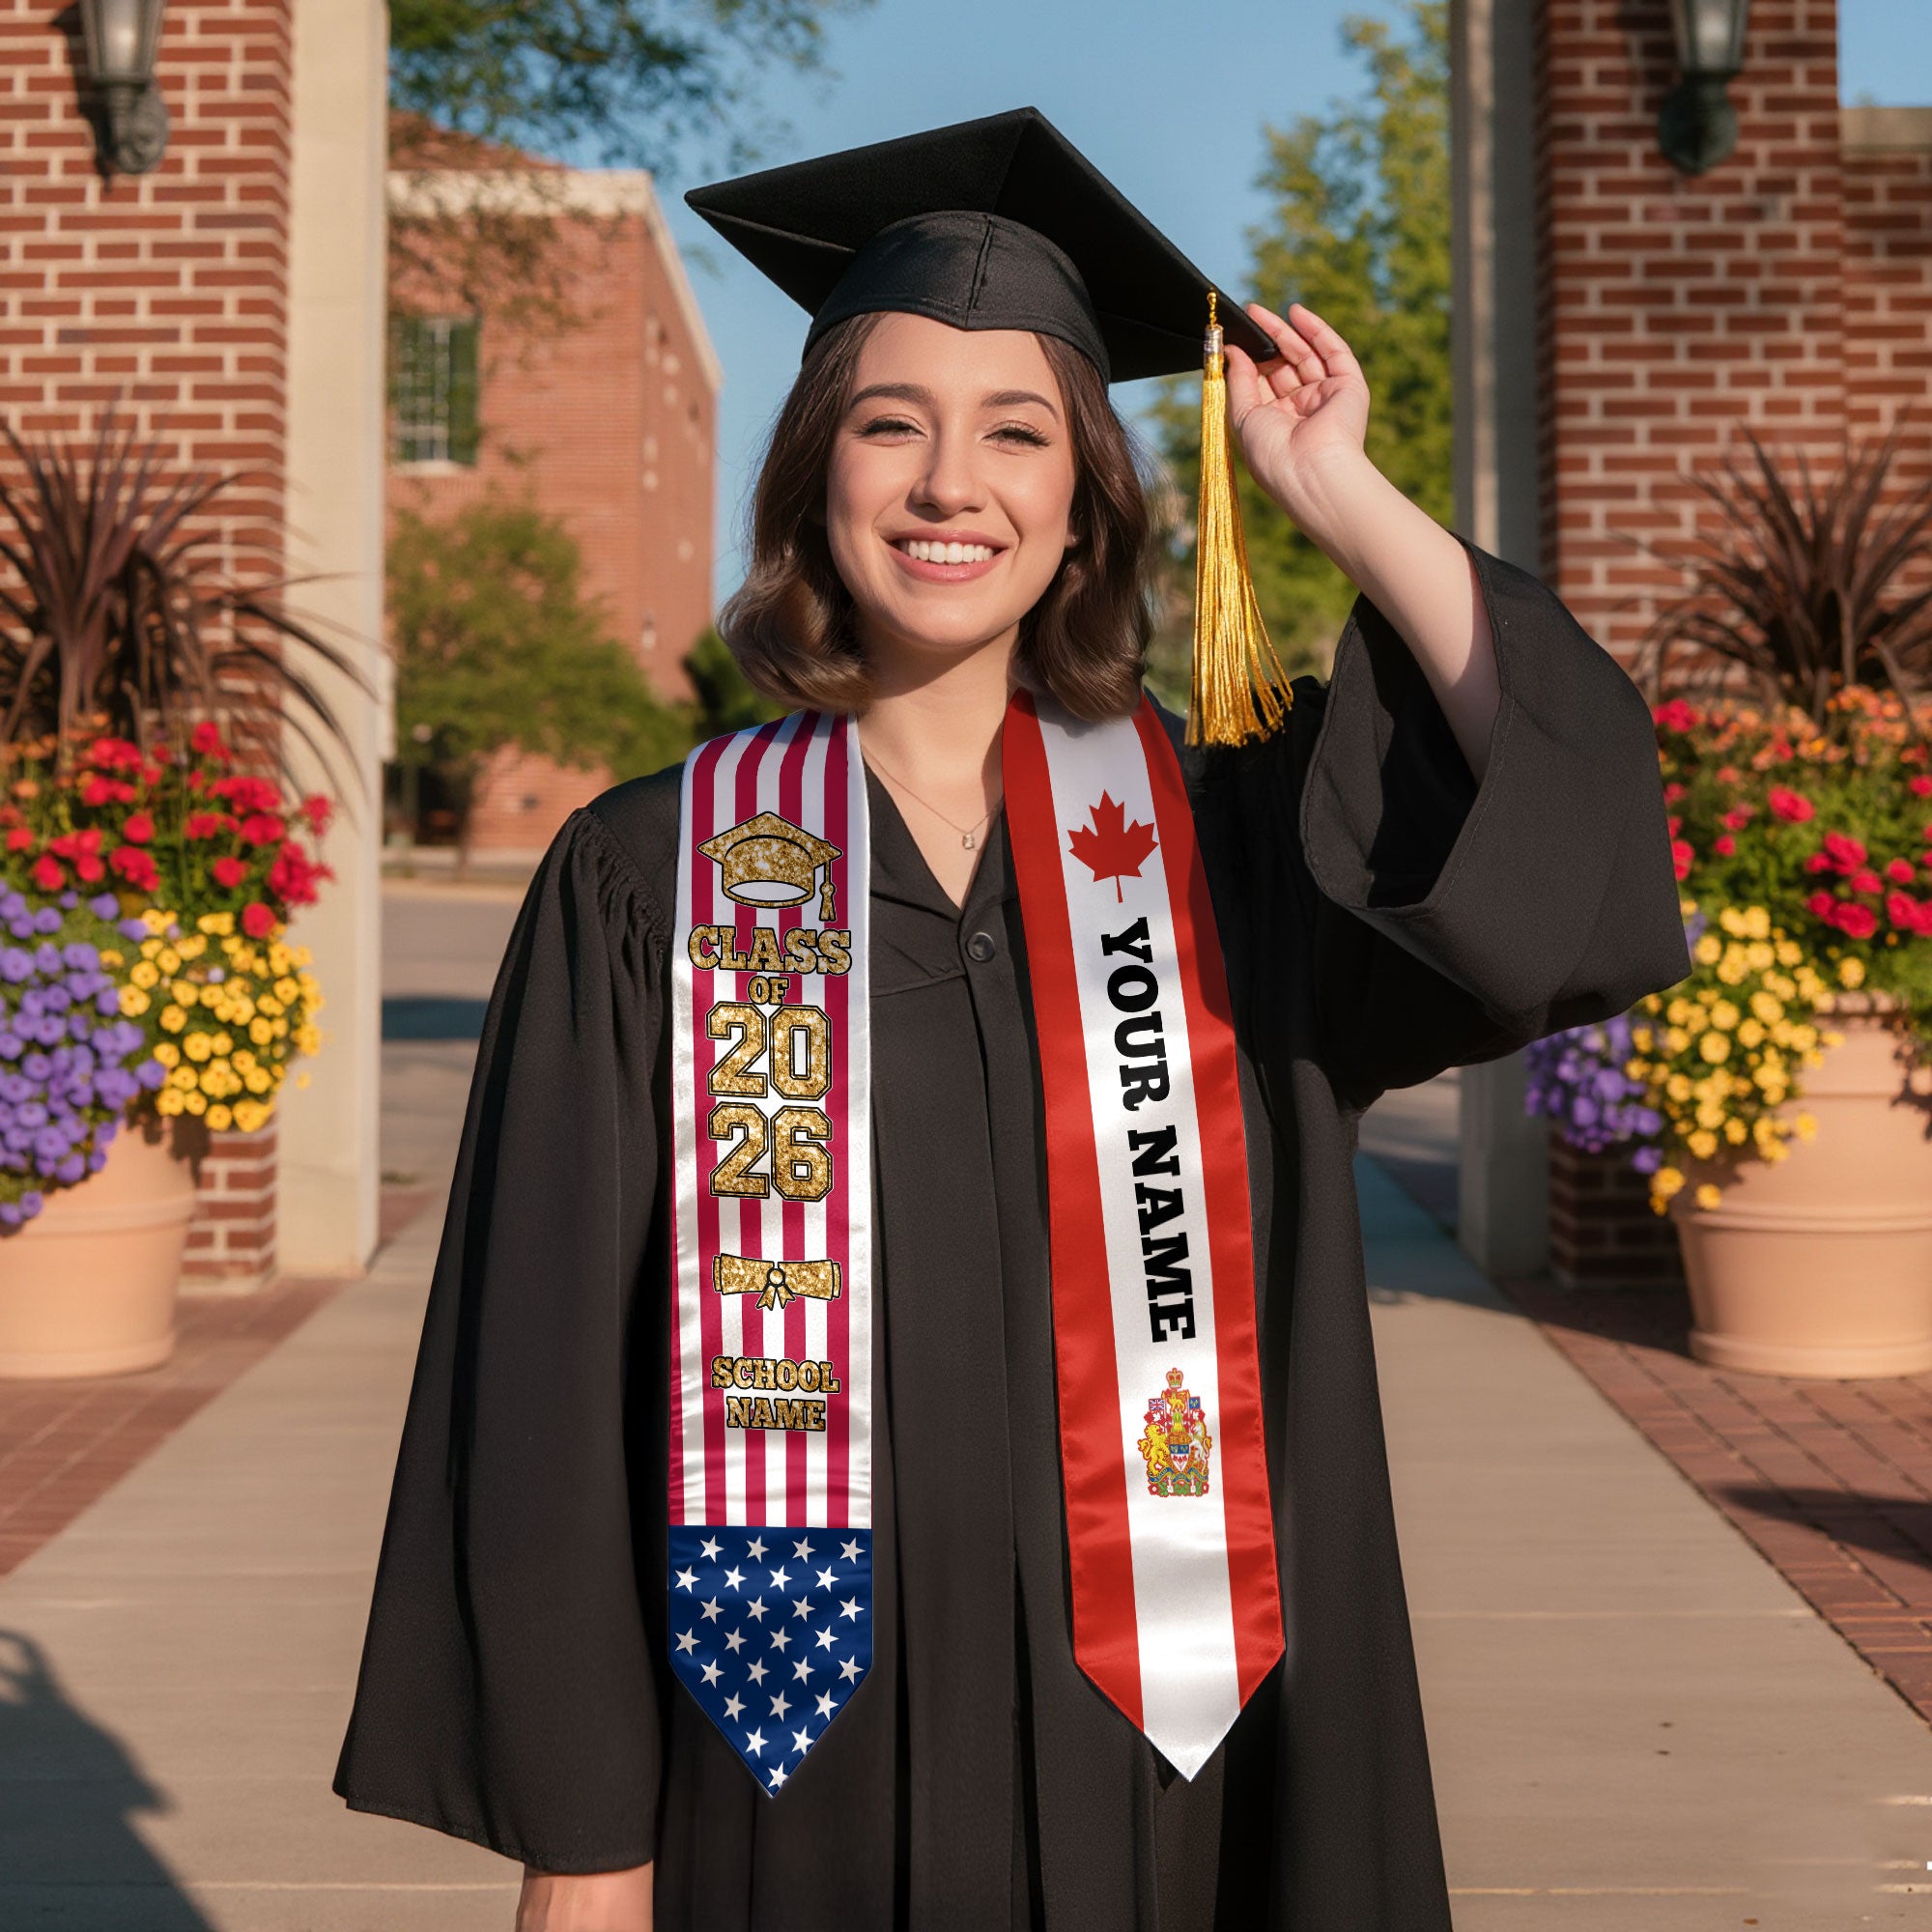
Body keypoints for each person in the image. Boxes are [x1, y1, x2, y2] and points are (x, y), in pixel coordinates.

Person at [332, 109, 1690, 1931]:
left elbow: (1558, 827)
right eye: (892, 424)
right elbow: (547, 1384)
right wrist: (584, 1841)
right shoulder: (647, 878)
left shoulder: (1231, 853)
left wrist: (1336, 492)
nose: (948, 483)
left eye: (1016, 433)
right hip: (778, 1774)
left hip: (1182, 1771)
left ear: (1082, 506)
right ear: (818, 472)